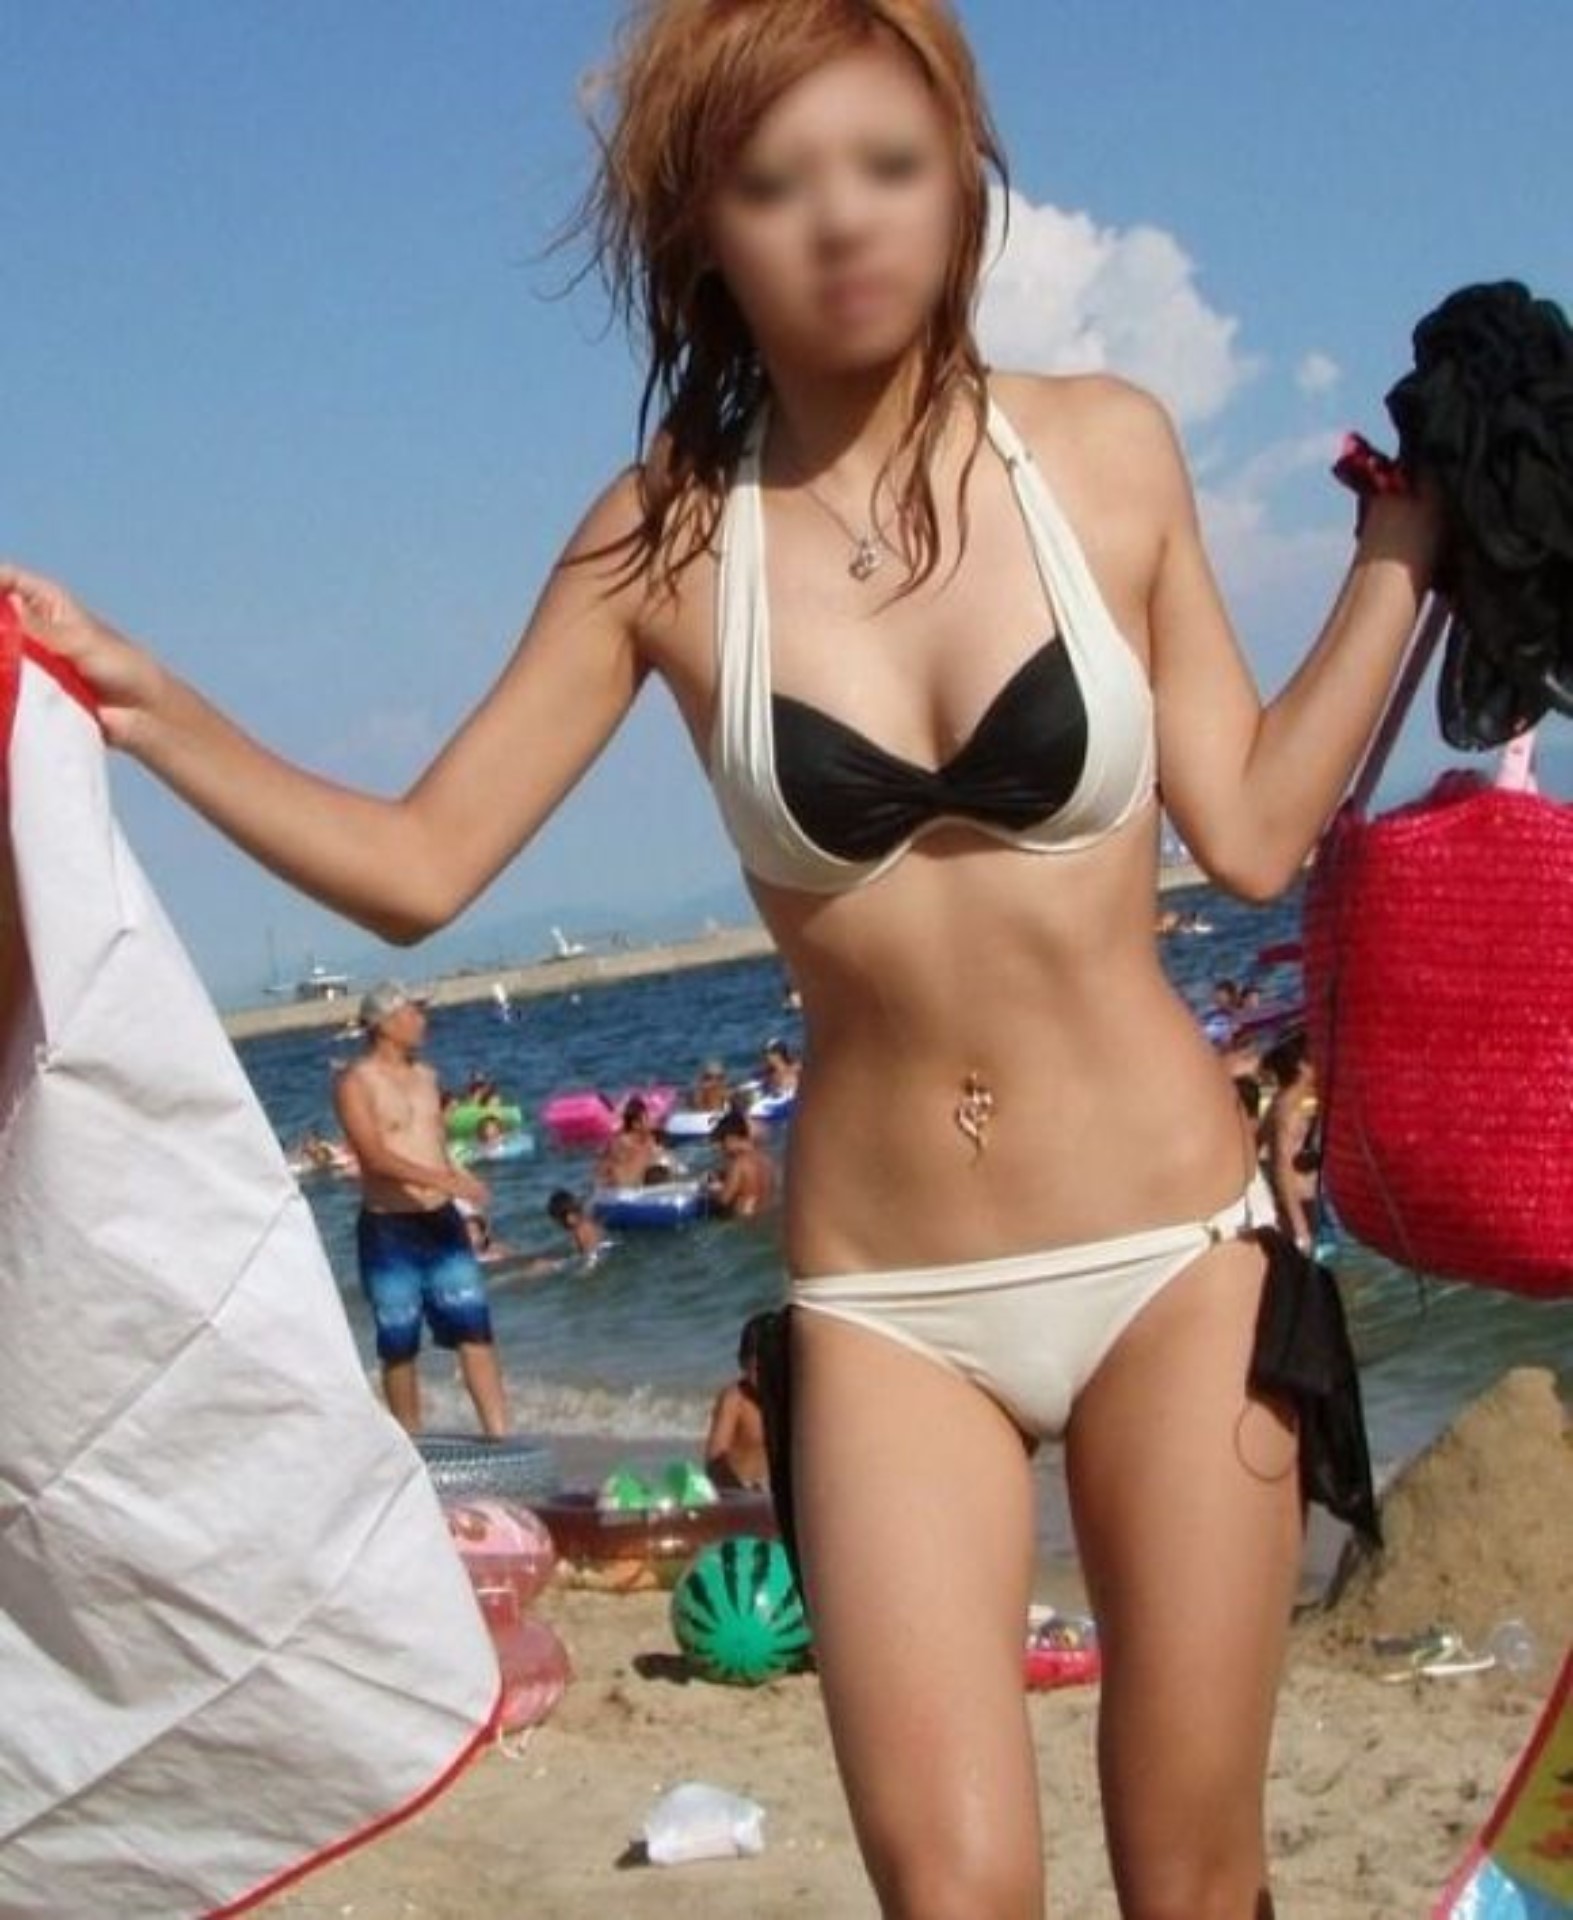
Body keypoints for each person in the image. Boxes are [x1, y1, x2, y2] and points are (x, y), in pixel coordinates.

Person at [3, 3, 1438, 1909]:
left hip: (1173, 1252)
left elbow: (1249, 831)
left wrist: (1398, 551)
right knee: (955, 1896)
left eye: (887, 165)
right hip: (885, 1306)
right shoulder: (665, 546)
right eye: (774, 183)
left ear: (960, 184)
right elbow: (423, 866)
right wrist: (149, 705)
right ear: (705, 231)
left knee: (1192, 1877)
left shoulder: (1103, 452)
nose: (841, 219)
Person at [320, 983, 510, 1437]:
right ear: (385, 1022)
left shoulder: (427, 1076)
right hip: (389, 1229)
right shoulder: (355, 1082)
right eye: (414, 1012)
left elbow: (434, 1145)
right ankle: (413, 1442)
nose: (424, 1021)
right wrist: (443, 1180)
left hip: (441, 1220)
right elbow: (374, 1158)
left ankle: (500, 1435)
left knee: (474, 1329)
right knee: (399, 1343)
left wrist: (460, 1177)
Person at [1259, 1030, 1322, 1255]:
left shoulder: (1284, 1103)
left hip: (1296, 1204)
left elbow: (1257, 1145)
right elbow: (1282, 1169)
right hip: (1297, 1207)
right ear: (1302, 1066)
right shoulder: (1288, 1111)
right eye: (1315, 1058)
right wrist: (1299, 1229)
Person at [703, 1312, 772, 1492]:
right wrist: (740, 1491)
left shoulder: (793, 1399)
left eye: (774, 1367)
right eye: (758, 1369)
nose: (767, 1376)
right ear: (742, 1364)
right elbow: (714, 1459)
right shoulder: (735, 1400)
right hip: (737, 1490)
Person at [704, 1107, 777, 1218]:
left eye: (722, 1141)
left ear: (731, 1138)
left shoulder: (738, 1163)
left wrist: (710, 1189)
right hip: (762, 1217)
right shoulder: (767, 1161)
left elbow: (724, 1199)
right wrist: (723, 1176)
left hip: (741, 1218)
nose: (721, 1148)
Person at [545, 1188, 610, 1266]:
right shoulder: (586, 1221)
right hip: (604, 1250)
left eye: (558, 1219)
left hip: (599, 1255)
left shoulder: (580, 1230)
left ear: (568, 1217)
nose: (558, 1224)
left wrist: (585, 1271)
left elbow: (592, 1254)